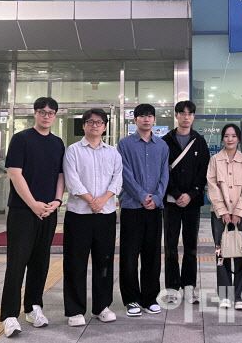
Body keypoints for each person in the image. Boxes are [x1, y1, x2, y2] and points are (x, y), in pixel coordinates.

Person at [0, 97, 65, 337]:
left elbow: (61, 175)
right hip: (23, 211)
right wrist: (33, 204)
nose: (46, 116)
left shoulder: (58, 143)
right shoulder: (21, 139)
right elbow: (15, 173)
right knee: (16, 263)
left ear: (55, 116)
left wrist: (57, 201)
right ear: (35, 113)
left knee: (41, 261)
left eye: (51, 112)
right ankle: (9, 315)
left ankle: (33, 307)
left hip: (48, 211)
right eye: (42, 112)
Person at [62, 109, 123, 327]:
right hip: (79, 215)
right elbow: (72, 180)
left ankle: (102, 307)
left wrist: (103, 200)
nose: (94, 125)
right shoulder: (73, 151)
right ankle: (75, 310)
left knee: (104, 262)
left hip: (105, 215)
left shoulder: (113, 153)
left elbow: (117, 180)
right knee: (75, 262)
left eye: (99, 122)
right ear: (83, 126)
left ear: (105, 127)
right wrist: (91, 200)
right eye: (90, 122)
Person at [118, 103, 169, 317]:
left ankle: (150, 298)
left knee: (152, 255)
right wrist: (141, 195)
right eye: (142, 116)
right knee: (129, 255)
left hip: (154, 209)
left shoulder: (162, 146)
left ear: (154, 120)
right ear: (135, 120)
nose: (146, 119)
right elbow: (124, 173)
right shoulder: (124, 144)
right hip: (132, 207)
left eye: (150, 116)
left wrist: (156, 198)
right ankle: (131, 299)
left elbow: (164, 175)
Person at [162, 101, 210, 304]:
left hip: (192, 202)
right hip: (170, 202)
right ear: (176, 115)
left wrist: (190, 194)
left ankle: (189, 286)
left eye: (190, 114)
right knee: (170, 246)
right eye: (182, 113)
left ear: (194, 117)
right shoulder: (165, 141)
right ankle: (172, 288)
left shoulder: (199, 141)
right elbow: (162, 170)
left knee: (191, 246)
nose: (186, 117)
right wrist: (174, 193)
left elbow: (204, 171)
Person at [207, 123, 242, 310]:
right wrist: (223, 211)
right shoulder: (215, 160)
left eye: (233, 136)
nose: (230, 139)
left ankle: (240, 296)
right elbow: (212, 186)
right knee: (221, 253)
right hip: (220, 216)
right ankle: (225, 295)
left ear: (239, 139)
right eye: (226, 136)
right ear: (222, 138)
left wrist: (239, 211)